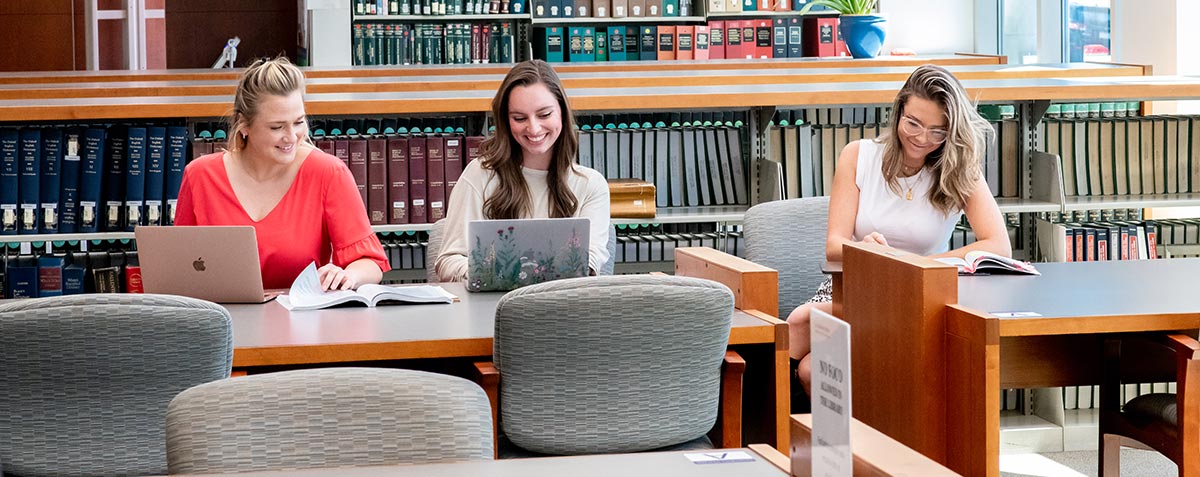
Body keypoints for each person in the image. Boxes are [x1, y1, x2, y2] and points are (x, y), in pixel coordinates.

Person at [788, 64, 1012, 395]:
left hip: (920, 295)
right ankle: (775, 428)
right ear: (898, 112)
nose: (922, 139)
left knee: (811, 365)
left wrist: (917, 266)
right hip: (857, 285)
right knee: (801, 330)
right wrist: (865, 248)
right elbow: (834, 246)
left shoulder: (960, 169)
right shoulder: (859, 156)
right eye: (913, 123)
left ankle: (868, 443)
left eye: (938, 131)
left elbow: (998, 245)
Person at [175, 57, 389, 291]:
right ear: (244, 124)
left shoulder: (328, 173)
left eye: (298, 122)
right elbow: (180, 267)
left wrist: (348, 275)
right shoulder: (199, 175)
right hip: (222, 319)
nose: (291, 136)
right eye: (276, 127)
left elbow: (371, 263)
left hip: (303, 320)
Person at [435, 60, 610, 282]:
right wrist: (489, 276)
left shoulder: (590, 185)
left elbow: (589, 261)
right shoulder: (480, 175)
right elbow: (449, 261)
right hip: (490, 310)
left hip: (562, 309)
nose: (534, 128)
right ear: (506, 121)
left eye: (544, 114)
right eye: (519, 118)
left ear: (562, 114)